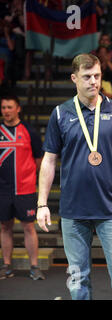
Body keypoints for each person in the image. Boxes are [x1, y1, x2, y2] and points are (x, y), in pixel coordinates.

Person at [36, 54, 112, 300]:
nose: (93, 82)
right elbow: (49, 161)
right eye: (87, 77)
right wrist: (42, 204)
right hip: (73, 210)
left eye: (97, 76)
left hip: (111, 208)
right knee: (77, 278)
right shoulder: (60, 114)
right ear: (74, 78)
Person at [0, 94, 45, 281]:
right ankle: (7, 265)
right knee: (4, 227)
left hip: (25, 189)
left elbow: (40, 158)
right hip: (2, 190)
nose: (6, 111)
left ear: (18, 108)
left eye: (10, 107)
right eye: (3, 108)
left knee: (29, 227)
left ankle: (34, 266)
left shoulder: (29, 130)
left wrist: (34, 178)